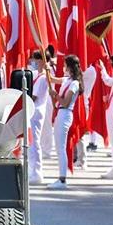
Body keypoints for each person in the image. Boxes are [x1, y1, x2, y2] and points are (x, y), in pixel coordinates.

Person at [50, 55, 84, 190]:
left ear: (69, 67)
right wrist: (47, 68)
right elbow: (52, 79)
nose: (63, 68)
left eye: (64, 65)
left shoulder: (75, 83)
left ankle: (62, 179)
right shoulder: (66, 79)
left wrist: (55, 95)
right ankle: (61, 177)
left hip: (65, 114)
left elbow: (65, 101)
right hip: (60, 114)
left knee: (61, 148)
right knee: (59, 147)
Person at [27, 51, 50, 186]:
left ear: (42, 61)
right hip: (32, 110)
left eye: (35, 60)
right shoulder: (37, 75)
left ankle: (37, 173)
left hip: (36, 111)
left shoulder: (43, 78)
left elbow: (34, 96)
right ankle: (32, 170)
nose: (33, 62)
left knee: (35, 143)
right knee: (31, 143)